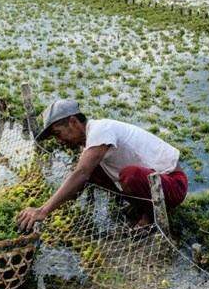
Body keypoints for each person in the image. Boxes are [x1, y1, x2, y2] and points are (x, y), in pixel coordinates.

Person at [17, 99, 188, 232]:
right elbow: (84, 175)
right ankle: (140, 205)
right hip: (154, 183)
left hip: (173, 184)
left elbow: (81, 172)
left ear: (73, 121)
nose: (59, 141)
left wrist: (43, 210)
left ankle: (150, 216)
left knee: (129, 174)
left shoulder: (101, 129)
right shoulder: (91, 140)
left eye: (58, 134)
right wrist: (59, 206)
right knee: (94, 170)